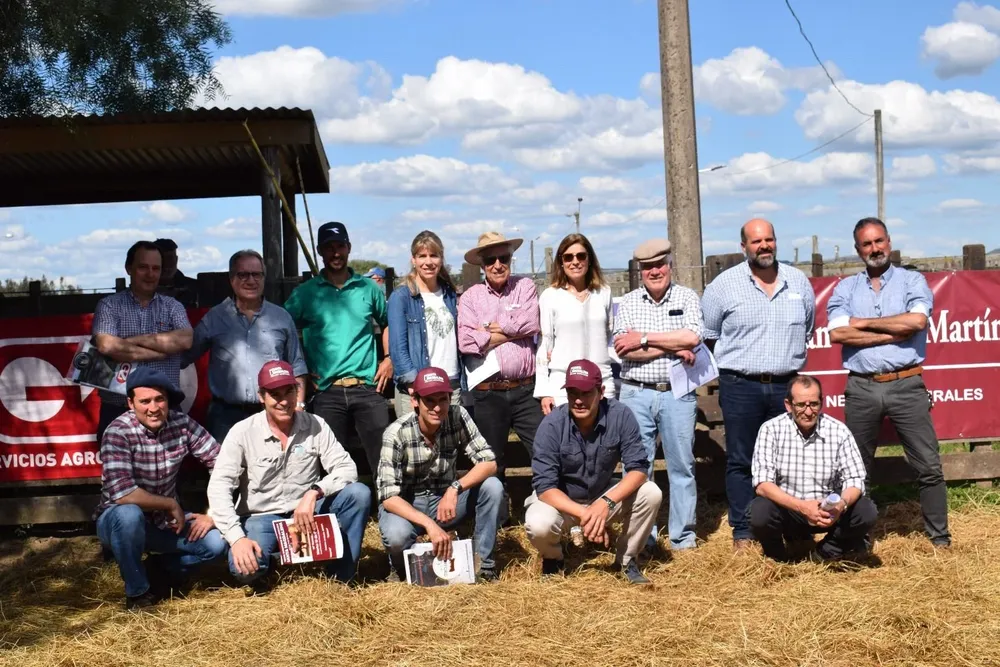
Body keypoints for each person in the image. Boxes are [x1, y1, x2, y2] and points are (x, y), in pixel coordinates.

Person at [827, 217, 950, 546]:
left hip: (907, 384)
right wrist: (895, 331)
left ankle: (939, 540)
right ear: (857, 250)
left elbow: (917, 321)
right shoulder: (844, 288)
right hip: (861, 387)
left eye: (878, 241)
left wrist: (863, 323)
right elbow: (838, 332)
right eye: (866, 244)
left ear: (889, 242)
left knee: (928, 465)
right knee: (857, 470)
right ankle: (859, 539)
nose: (874, 248)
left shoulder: (912, 281)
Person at [701, 219, 815, 551]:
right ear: (744, 247)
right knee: (741, 459)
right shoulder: (724, 286)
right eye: (756, 241)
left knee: (792, 457)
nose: (763, 246)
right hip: (741, 386)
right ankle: (744, 530)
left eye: (769, 240)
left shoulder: (798, 282)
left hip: (787, 387)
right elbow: (709, 335)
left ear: (776, 242)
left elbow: (808, 327)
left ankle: (794, 528)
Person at [207, 361, 372, 591]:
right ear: (261, 397)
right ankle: (272, 561)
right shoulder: (242, 432)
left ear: (297, 392)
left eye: (289, 391)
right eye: (275, 394)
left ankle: (342, 577)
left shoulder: (316, 424)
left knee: (359, 493)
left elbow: (347, 468)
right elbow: (219, 487)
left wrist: (314, 493)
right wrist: (236, 538)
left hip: (307, 514)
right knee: (244, 569)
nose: (283, 401)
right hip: (261, 516)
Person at [94, 368, 225, 610]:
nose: (153, 408)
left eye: (159, 399)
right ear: (130, 404)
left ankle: (159, 569)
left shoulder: (182, 423)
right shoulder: (117, 432)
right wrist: (170, 504)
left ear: (168, 401)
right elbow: (123, 494)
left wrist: (214, 512)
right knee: (129, 514)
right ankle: (138, 593)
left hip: (165, 523)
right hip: (118, 522)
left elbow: (222, 463)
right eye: (145, 401)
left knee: (216, 544)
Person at [525, 359, 662, 585]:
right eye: (572, 393)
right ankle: (553, 559)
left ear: (601, 392)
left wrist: (604, 503)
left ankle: (627, 560)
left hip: (603, 497)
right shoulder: (552, 425)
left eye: (586, 393)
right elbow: (545, 488)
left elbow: (638, 469)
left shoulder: (621, 415)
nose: (578, 400)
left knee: (651, 493)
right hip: (564, 502)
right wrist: (585, 514)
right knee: (537, 522)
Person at [613, 239, 703, 551]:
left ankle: (683, 537)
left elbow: (692, 336)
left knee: (682, 466)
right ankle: (641, 539)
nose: (654, 271)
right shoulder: (627, 302)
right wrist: (674, 346)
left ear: (669, 265)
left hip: (677, 393)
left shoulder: (687, 297)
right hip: (636, 393)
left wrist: (646, 338)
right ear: (640, 271)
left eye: (659, 264)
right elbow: (625, 349)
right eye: (647, 267)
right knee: (638, 468)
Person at [283, 221, 393, 473]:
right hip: (326, 390)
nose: (335, 253)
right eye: (329, 247)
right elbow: (281, 329)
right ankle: (340, 511)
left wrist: (389, 358)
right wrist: (298, 372)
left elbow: (388, 323)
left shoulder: (368, 288)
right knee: (332, 464)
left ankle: (388, 508)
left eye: (340, 246)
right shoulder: (306, 293)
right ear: (320, 251)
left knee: (384, 459)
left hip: (367, 386)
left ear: (349, 247)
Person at [377, 367, 504, 581]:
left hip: (445, 501)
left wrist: (455, 488)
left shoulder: (458, 416)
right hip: (408, 504)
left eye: (442, 399)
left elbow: (489, 462)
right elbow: (389, 498)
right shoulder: (396, 433)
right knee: (396, 534)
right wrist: (429, 525)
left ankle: (484, 566)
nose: (437, 407)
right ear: (415, 400)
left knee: (493, 487)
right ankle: (400, 570)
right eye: (429, 400)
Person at [183, 249, 308, 444]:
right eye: (243, 274)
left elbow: (297, 366)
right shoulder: (214, 318)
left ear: (264, 278)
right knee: (227, 473)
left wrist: (298, 405)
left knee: (274, 472)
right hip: (225, 416)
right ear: (232, 279)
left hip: (273, 411)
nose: (251, 280)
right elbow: (184, 356)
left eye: (256, 274)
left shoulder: (281, 318)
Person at [749, 375, 877, 561]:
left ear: (821, 403)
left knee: (866, 511)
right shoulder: (771, 429)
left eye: (814, 404)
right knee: (759, 512)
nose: (808, 412)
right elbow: (762, 484)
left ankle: (828, 549)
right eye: (801, 405)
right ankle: (777, 557)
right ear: (788, 405)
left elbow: (856, 480)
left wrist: (841, 505)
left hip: (829, 511)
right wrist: (802, 507)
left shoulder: (839, 431)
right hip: (789, 509)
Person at [457, 231, 542, 488]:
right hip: (488, 392)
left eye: (503, 258)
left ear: (510, 259)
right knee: (491, 462)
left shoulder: (525, 286)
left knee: (543, 453)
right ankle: (498, 519)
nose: (497, 264)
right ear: (482, 266)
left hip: (526, 389)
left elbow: (532, 322)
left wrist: (491, 329)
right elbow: (466, 342)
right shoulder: (471, 297)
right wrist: (513, 330)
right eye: (491, 260)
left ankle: (547, 511)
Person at [92, 240, 193, 445]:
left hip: (165, 409)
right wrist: (161, 350)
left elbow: (186, 339)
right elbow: (107, 346)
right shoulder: (108, 306)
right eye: (143, 267)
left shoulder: (173, 307)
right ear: (129, 268)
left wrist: (130, 343)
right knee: (119, 476)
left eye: (155, 268)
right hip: (118, 408)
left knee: (171, 475)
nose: (150, 274)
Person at [535, 233, 615, 413]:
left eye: (581, 256)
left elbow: (608, 333)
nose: (575, 261)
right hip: (563, 385)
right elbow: (544, 343)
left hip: (602, 382)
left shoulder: (604, 293)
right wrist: (544, 392)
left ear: (589, 259)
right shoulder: (550, 296)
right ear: (561, 262)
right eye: (568, 257)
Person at [388, 231, 462, 418]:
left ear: (441, 258)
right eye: (422, 256)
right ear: (413, 260)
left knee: (450, 444)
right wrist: (415, 385)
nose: (428, 262)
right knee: (417, 444)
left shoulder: (450, 294)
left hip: (451, 384)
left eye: (434, 255)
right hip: (419, 386)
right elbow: (397, 347)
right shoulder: (402, 297)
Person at [153, 238, 199, 307]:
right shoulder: (140, 290)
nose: (166, 263)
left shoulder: (196, 289)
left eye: (170, 258)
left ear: (176, 259)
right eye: (161, 258)